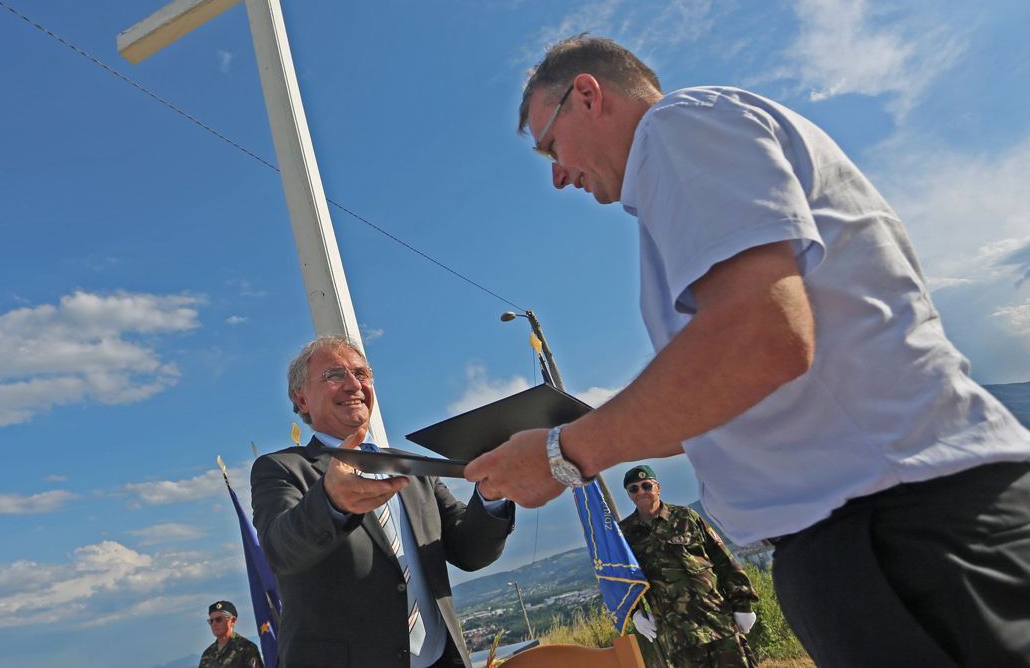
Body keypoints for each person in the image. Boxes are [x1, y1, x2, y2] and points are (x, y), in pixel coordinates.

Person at [464, 34, 1030, 668]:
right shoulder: (689, 158)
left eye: (549, 145)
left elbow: (762, 339)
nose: (557, 173)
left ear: (589, 96)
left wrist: (563, 455)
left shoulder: (674, 130)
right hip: (887, 535)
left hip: (901, 534)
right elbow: (727, 393)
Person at [251, 336, 516, 668]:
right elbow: (279, 550)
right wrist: (331, 501)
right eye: (334, 375)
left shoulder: (413, 467)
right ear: (301, 399)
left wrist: (492, 495)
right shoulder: (281, 469)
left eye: (361, 373)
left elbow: (470, 551)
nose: (353, 384)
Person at [617, 465, 758, 668]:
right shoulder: (623, 535)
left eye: (646, 485)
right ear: (629, 495)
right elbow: (618, 579)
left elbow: (723, 560)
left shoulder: (686, 518)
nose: (640, 492)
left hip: (718, 620)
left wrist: (742, 604)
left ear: (657, 488)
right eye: (633, 489)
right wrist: (634, 614)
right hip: (678, 635)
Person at [199, 601, 263, 668]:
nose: (214, 624)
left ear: (232, 621)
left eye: (218, 619)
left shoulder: (246, 648)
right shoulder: (207, 654)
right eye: (211, 621)